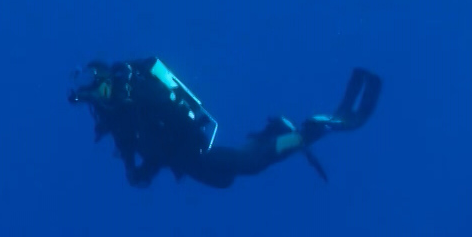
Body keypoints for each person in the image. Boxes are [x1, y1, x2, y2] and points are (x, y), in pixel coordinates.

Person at [69, 57, 380, 188]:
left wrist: (136, 103)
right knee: (228, 178)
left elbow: (167, 113)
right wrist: (139, 172)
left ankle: (306, 132)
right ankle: (277, 132)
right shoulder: (118, 121)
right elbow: (142, 151)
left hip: (193, 149)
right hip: (187, 162)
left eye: (103, 87)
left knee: (249, 164)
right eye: (96, 96)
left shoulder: (136, 91)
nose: (105, 96)